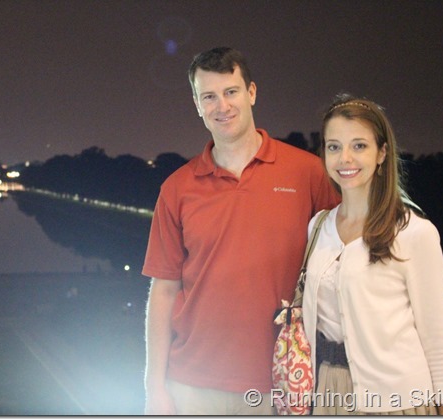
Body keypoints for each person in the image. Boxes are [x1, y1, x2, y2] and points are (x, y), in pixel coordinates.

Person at [141, 47, 340, 415]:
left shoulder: (307, 172)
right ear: (197, 105)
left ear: (251, 92)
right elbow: (164, 291)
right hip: (191, 385)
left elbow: (344, 265)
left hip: (284, 380)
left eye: (231, 92)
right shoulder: (176, 188)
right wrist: (154, 388)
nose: (222, 106)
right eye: (209, 97)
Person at [302, 94, 443, 415]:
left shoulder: (414, 233)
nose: (345, 158)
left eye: (359, 146)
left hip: (398, 401)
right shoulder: (318, 228)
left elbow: (439, 342)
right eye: (334, 146)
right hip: (328, 393)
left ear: (382, 153)